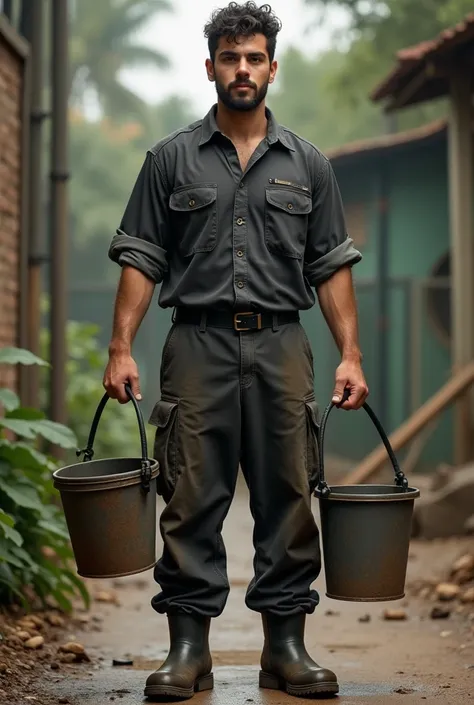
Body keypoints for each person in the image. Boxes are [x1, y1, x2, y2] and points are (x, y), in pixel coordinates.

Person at [104, 1, 368, 699]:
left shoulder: (308, 164)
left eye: (254, 58)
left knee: (287, 491)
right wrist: (120, 346)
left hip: (284, 342)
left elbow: (332, 264)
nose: (242, 69)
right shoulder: (169, 159)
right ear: (211, 66)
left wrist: (350, 354)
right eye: (230, 57)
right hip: (196, 343)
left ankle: (286, 648)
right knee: (189, 493)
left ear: (272, 68)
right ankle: (188, 650)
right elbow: (140, 257)